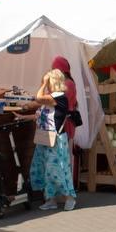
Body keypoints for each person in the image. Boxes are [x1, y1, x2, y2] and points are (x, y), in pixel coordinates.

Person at [30, 68, 78, 212]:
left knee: (59, 169)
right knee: (46, 170)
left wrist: (43, 84)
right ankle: (51, 199)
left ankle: (70, 197)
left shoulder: (59, 97)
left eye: (47, 81)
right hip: (45, 138)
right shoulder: (51, 98)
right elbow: (41, 113)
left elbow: (38, 97)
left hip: (56, 140)